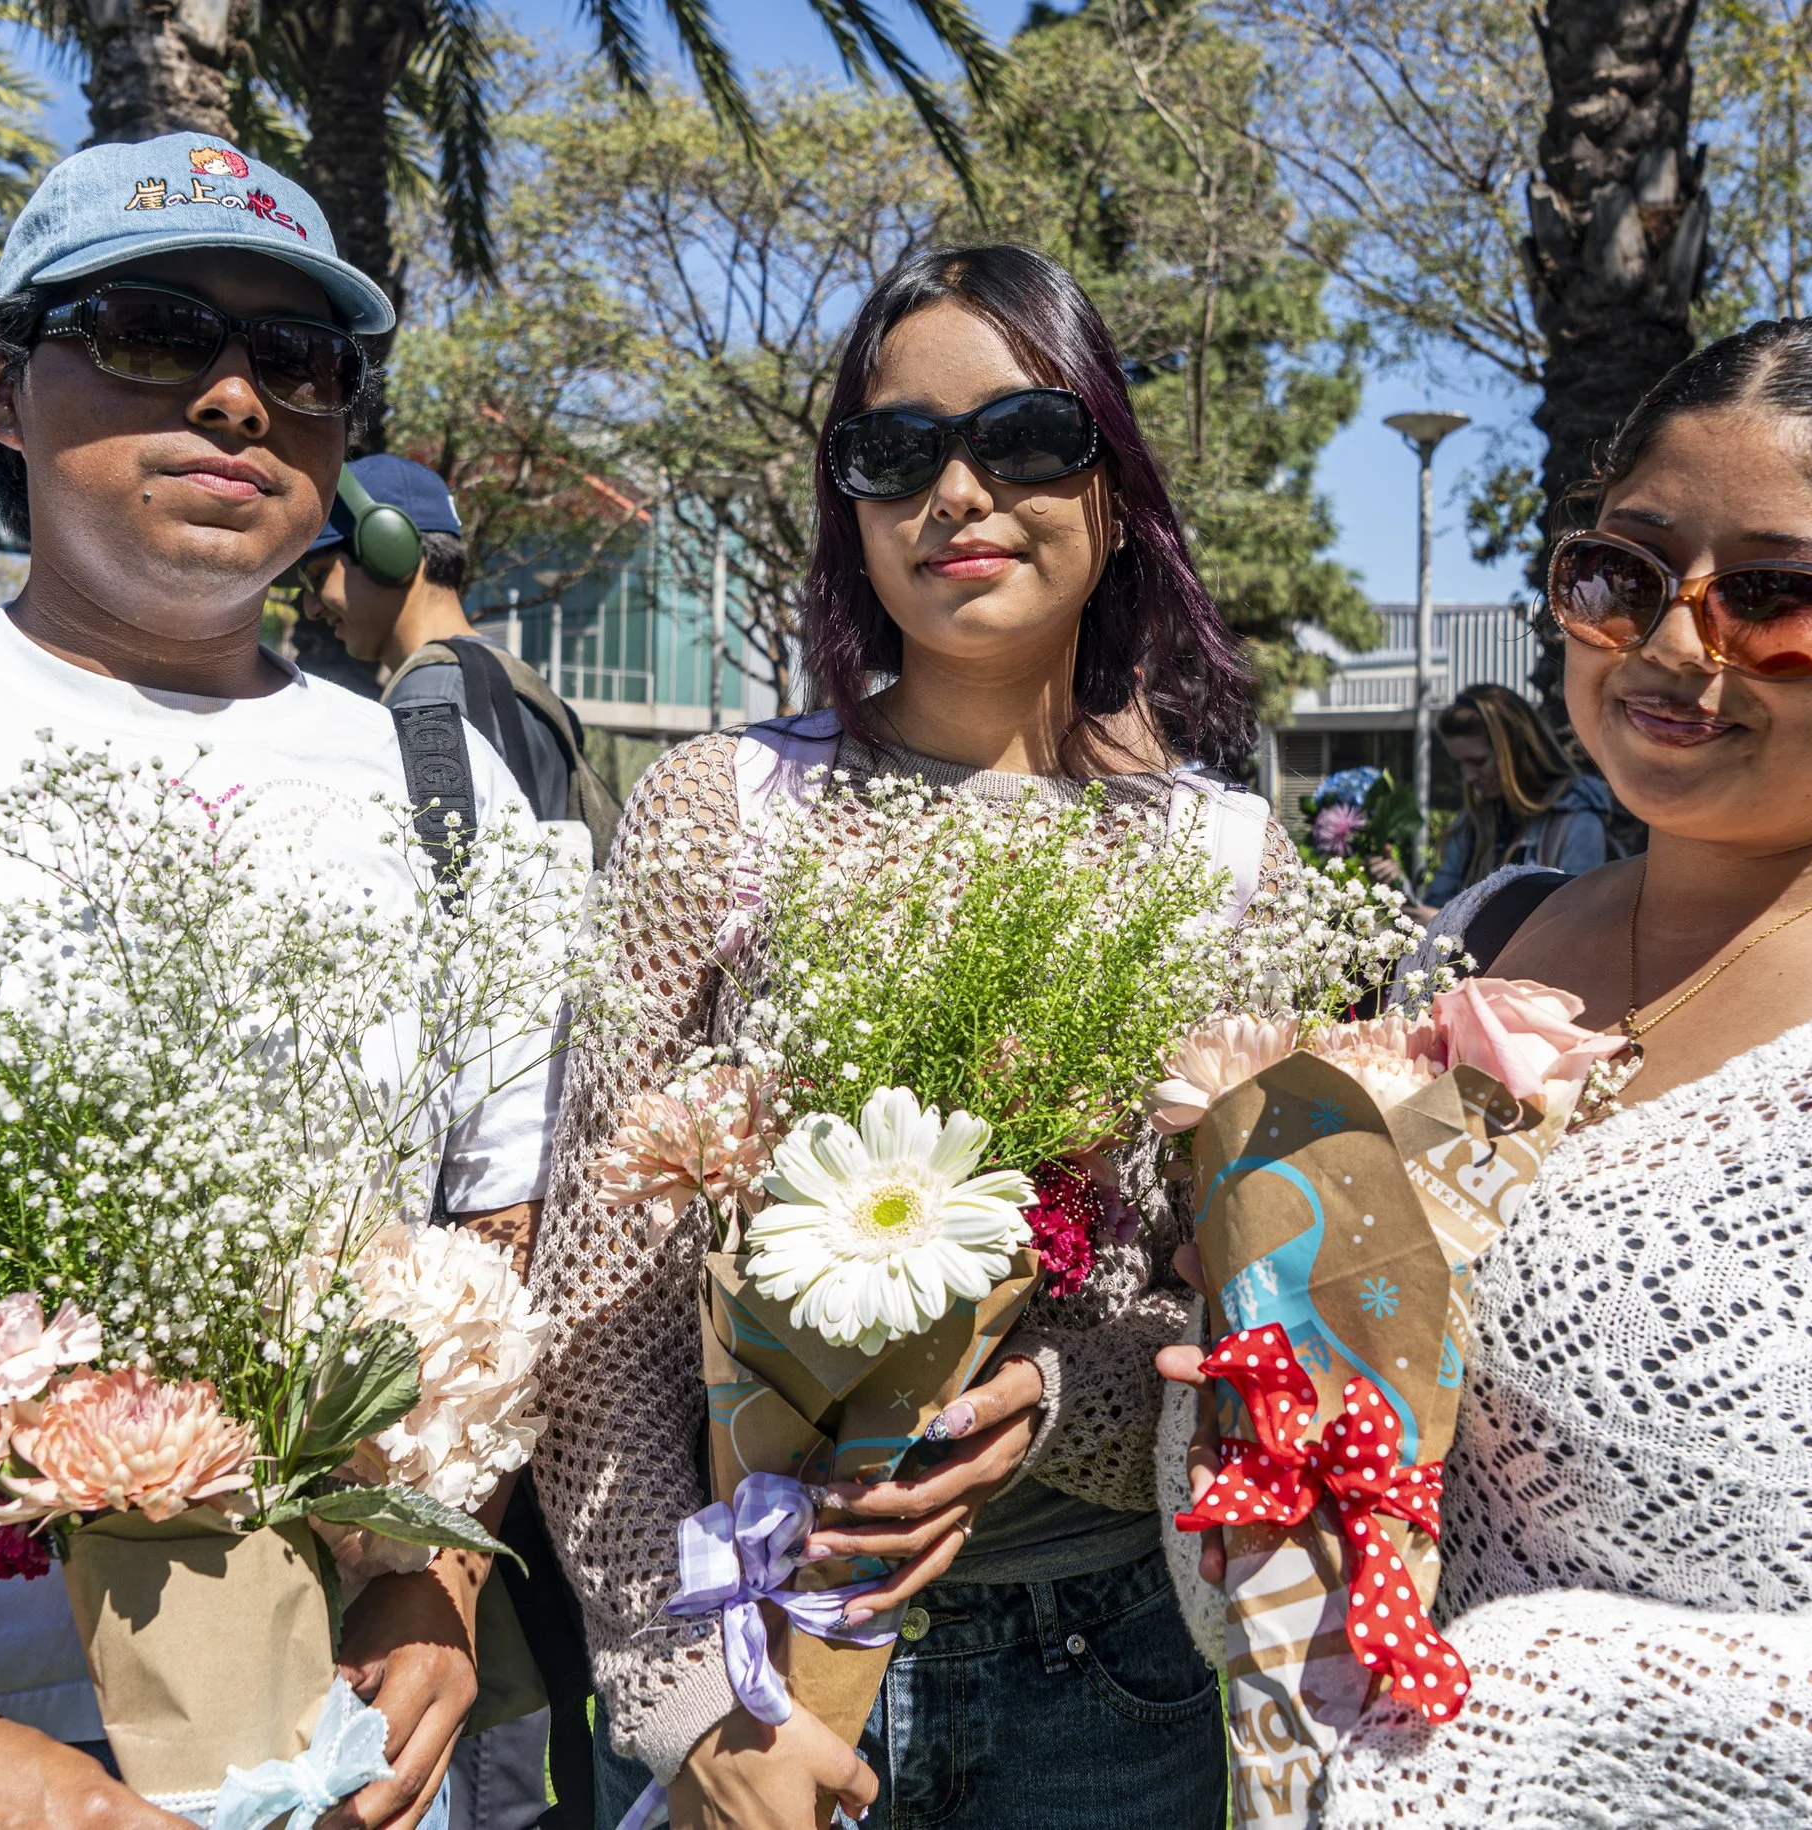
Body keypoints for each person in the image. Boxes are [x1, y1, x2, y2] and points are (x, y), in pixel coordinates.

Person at [1183, 317, 1812, 1823]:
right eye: (1620, 577)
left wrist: (1552, 1708)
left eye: (1779, 600)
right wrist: (1236, 1434)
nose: (1672, 648)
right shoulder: (1470, 940)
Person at [0, 134, 564, 1830]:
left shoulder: (455, 809)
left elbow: (487, 1249)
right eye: (155, 333)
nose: (237, 398)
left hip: (310, 1744)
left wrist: (427, 1590)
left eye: (299, 361)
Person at [529, 244, 1283, 1830]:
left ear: (1114, 482)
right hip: (749, 1652)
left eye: (1024, 439)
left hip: (1098, 1673)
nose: (959, 491)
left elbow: (1253, 1321)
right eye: (894, 453)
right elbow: (600, 1311)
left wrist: (1045, 1409)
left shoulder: (1228, 862)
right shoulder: (716, 811)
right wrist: (684, 1701)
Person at [300, 454, 620, 862]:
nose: (310, 607)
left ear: (387, 549)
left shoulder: (430, 697)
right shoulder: (506, 674)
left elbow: (440, 889)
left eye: (319, 575)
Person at [1373, 682, 1612, 916]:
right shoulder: (1473, 822)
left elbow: (1576, 923)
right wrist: (1398, 888)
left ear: (1516, 751)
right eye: (1460, 764)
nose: (1468, 776)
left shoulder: (1577, 822)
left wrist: (1437, 922)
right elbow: (1437, 906)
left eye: (1478, 762)